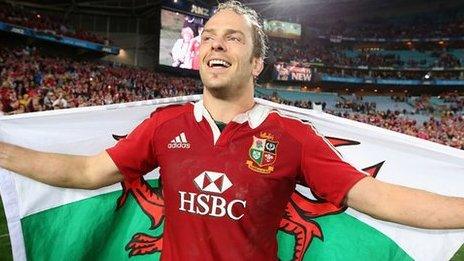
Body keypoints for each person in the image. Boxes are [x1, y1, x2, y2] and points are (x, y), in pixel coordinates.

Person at [1, 1, 464, 260]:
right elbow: (85, 172)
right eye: (208, 36)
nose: (216, 42)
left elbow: (378, 197)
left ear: (257, 63)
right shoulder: (166, 126)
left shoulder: (292, 136)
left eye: (233, 37)